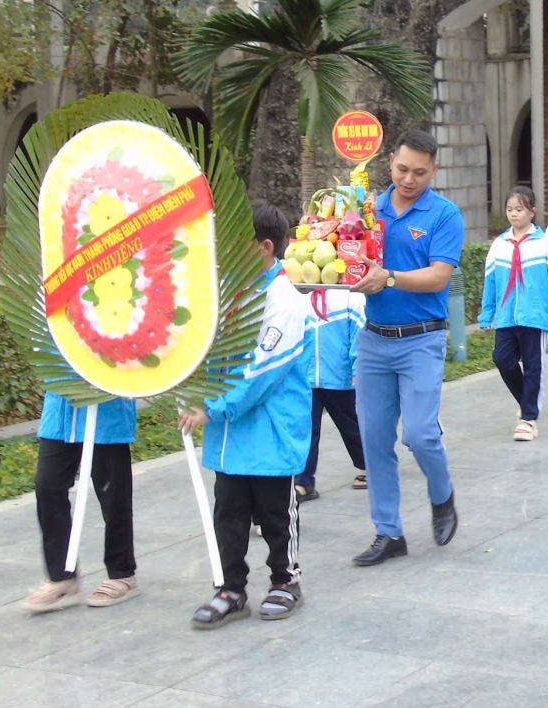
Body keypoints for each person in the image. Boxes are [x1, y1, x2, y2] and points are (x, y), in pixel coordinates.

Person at [183, 201, 312, 629]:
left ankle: (285, 580)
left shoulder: (285, 302)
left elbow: (261, 373)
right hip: (230, 434)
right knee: (230, 512)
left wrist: (212, 407)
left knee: (276, 511)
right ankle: (231, 588)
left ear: (265, 247)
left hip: (271, 430)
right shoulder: (225, 293)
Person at [348, 129, 464, 566]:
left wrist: (389, 277)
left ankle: (442, 494)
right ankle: (388, 532)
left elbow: (438, 277)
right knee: (375, 439)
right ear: (390, 162)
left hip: (422, 340)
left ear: (434, 169)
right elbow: (348, 259)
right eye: (401, 169)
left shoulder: (444, 215)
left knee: (419, 434)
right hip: (374, 338)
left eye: (420, 172)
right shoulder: (367, 209)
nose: (409, 179)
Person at [22, 395, 141, 613]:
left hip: (106, 406)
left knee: (112, 492)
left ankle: (122, 574)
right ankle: (62, 579)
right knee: (48, 485)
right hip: (61, 406)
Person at [479, 186, 548, 441]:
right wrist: (486, 315)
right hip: (505, 317)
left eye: (519, 209)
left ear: (532, 212)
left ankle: (528, 419)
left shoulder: (544, 244)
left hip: (534, 317)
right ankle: (527, 403)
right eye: (510, 209)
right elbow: (490, 284)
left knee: (534, 366)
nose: (513, 214)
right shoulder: (498, 246)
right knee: (503, 360)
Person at [297, 287, 368, 500]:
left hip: (340, 377)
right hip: (307, 378)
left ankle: (368, 466)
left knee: (350, 425)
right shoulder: (298, 297)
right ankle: (304, 482)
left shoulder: (350, 297)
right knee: (306, 429)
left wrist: (357, 367)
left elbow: (359, 332)